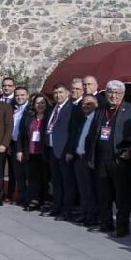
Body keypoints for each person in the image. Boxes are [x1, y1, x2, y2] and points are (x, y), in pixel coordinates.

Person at [90, 81, 131, 237]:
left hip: (120, 159)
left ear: (123, 94)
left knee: (121, 196)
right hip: (102, 159)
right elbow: (93, 135)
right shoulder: (100, 110)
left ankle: (122, 227)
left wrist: (130, 149)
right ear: (105, 93)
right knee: (104, 195)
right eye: (110, 92)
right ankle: (106, 223)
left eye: (117, 92)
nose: (113, 95)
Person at [44, 83, 79, 219]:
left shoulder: (73, 109)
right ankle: (56, 206)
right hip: (52, 149)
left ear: (67, 93)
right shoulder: (53, 108)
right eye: (56, 93)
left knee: (67, 182)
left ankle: (67, 210)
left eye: (61, 92)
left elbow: (73, 132)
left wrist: (71, 150)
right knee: (56, 181)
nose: (58, 95)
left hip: (65, 150)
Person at [71, 95, 101, 227]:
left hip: (89, 159)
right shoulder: (84, 119)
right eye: (83, 104)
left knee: (91, 189)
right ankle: (85, 213)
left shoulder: (97, 119)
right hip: (79, 157)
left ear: (96, 104)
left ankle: (92, 216)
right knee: (83, 189)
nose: (86, 106)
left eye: (89, 104)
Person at [22, 93, 51, 211]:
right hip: (31, 151)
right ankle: (34, 199)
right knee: (33, 177)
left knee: (45, 177)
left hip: (44, 151)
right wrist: (20, 150)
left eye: (42, 103)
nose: (40, 105)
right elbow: (22, 135)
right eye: (37, 103)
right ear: (33, 105)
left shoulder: (49, 116)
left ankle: (46, 200)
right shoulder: (29, 117)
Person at [8, 86, 30, 205]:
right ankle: (21, 196)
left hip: (26, 145)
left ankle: (30, 198)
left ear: (27, 95)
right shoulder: (12, 108)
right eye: (17, 95)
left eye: (22, 95)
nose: (19, 97)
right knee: (18, 173)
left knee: (28, 173)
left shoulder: (30, 109)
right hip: (14, 143)